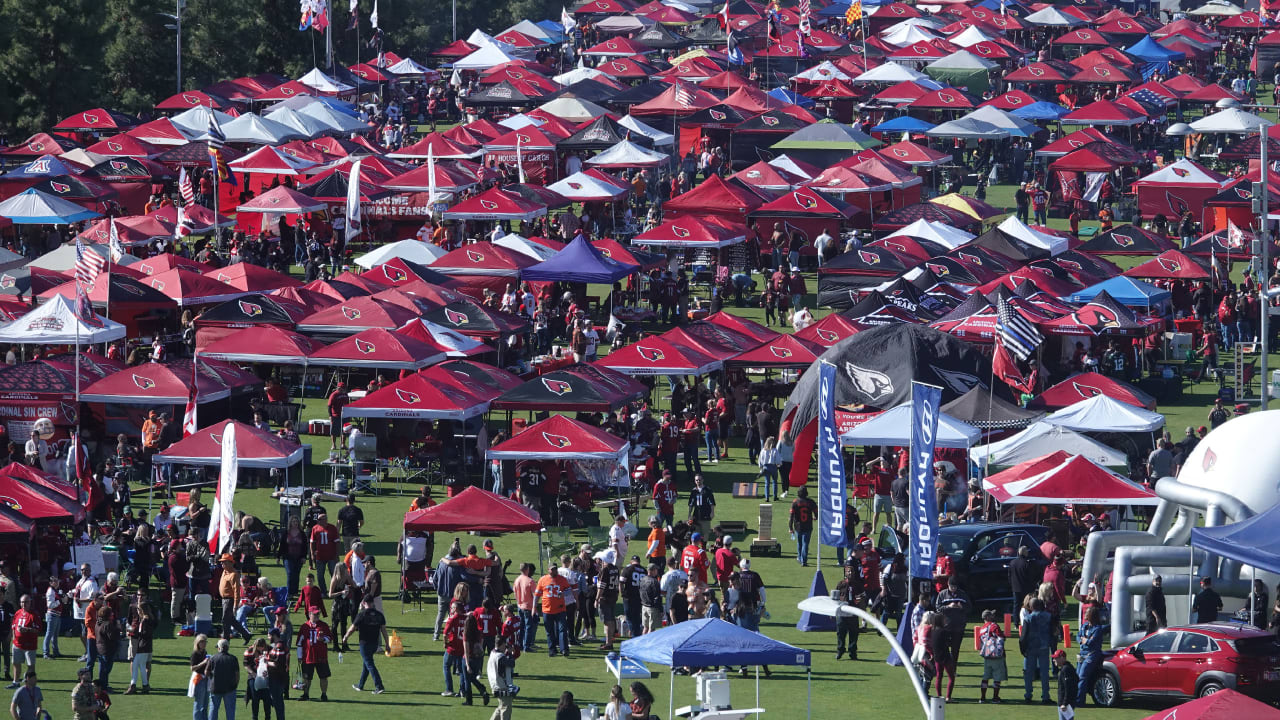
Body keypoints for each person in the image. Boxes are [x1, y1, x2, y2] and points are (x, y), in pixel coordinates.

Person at [343, 596, 387, 694]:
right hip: (375, 644)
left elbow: (352, 628)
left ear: (364, 603)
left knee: (370, 664)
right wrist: (387, 644)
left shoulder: (362, 615)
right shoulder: (379, 615)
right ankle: (360, 685)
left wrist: (345, 637)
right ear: (372, 602)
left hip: (364, 644)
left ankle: (379, 686)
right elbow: (384, 630)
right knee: (366, 664)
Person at [1021, 597, 1053, 704]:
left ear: (1031, 607)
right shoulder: (1048, 616)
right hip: (1044, 646)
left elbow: (1023, 636)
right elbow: (1052, 632)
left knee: (1029, 673)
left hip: (1031, 648)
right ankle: (1045, 696)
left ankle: (1028, 694)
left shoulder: (1028, 618)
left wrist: (1022, 649)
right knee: (1044, 673)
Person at [534, 564, 570, 657]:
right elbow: (537, 594)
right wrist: (534, 607)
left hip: (560, 609)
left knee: (562, 629)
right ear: (548, 570)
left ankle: (564, 649)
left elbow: (569, 589)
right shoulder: (543, 579)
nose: (554, 571)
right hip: (547, 610)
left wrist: (563, 593)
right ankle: (552, 650)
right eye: (552, 569)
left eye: (555, 569)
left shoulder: (562, 579)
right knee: (549, 631)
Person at [296, 607, 331, 702]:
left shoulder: (324, 625)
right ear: (309, 614)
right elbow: (299, 643)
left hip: (321, 656)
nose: (317, 616)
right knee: (307, 677)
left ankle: (324, 695)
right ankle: (306, 694)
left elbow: (329, 639)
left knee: (323, 677)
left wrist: (323, 639)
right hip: (308, 657)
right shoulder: (304, 626)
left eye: (318, 614)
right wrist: (299, 656)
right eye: (315, 614)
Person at [125, 590, 156, 695]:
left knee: (137, 665)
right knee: (141, 665)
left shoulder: (144, 621)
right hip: (146, 646)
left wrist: (131, 631)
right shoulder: (149, 619)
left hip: (142, 646)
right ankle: (143, 685)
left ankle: (137, 685)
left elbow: (142, 633)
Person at [833, 559, 864, 661]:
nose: (849, 573)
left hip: (853, 613)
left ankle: (852, 652)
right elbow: (835, 598)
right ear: (845, 572)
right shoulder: (840, 584)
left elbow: (862, 597)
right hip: (842, 613)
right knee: (841, 633)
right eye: (848, 571)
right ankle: (840, 650)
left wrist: (860, 601)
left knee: (854, 633)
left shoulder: (857, 585)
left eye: (851, 571)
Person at [217, 554, 250, 643]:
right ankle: (246, 635)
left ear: (230, 563)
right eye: (222, 562)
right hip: (224, 599)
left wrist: (235, 604)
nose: (222, 564)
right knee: (231, 620)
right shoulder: (224, 571)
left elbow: (236, 591)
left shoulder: (234, 574)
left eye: (224, 562)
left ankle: (225, 640)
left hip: (229, 600)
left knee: (225, 620)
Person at [8, 596, 37, 690]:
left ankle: (29, 683)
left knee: (30, 665)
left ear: (30, 603)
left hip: (29, 645)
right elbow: (13, 626)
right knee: (16, 663)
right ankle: (15, 682)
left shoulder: (34, 615)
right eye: (22, 602)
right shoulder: (18, 613)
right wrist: (13, 638)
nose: (23, 604)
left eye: (26, 602)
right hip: (17, 644)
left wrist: (27, 630)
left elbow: (38, 629)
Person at [978, 609, 1007, 703]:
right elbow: (1001, 637)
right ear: (987, 617)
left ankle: (982, 697)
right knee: (997, 678)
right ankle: (995, 697)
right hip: (997, 656)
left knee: (985, 677)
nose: (993, 616)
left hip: (986, 656)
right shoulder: (994, 626)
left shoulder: (982, 629)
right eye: (991, 615)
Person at [207, 638, 239, 720]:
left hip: (215, 687)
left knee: (213, 709)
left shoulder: (213, 658)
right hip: (230, 688)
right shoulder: (233, 658)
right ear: (228, 647)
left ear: (219, 648)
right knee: (230, 712)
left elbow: (206, 672)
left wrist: (211, 678)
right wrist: (235, 685)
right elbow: (237, 675)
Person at [486, 639, 517, 720]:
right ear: (502, 644)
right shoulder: (500, 657)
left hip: (494, 684)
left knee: (501, 707)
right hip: (502, 685)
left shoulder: (492, 653)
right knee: (506, 708)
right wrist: (510, 653)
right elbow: (511, 664)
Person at [788, 487, 818, 566]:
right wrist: (816, 517)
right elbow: (816, 511)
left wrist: (790, 527)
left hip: (798, 526)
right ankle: (804, 561)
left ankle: (799, 557)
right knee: (805, 544)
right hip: (808, 526)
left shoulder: (795, 502)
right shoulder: (810, 502)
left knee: (799, 542)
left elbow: (791, 516)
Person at [191, 634, 211, 720]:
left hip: (205, 678)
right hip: (199, 679)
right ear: (198, 643)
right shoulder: (195, 654)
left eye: (205, 641)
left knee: (205, 703)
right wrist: (203, 663)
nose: (204, 644)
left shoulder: (204, 652)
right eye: (202, 642)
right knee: (198, 703)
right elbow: (192, 668)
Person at [1054, 649, 1079, 718]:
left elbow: (1068, 688)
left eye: (1056, 658)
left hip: (1066, 704)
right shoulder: (1067, 668)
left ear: (1062, 658)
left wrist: (1065, 703)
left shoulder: (1066, 670)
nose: (1054, 660)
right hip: (1066, 703)